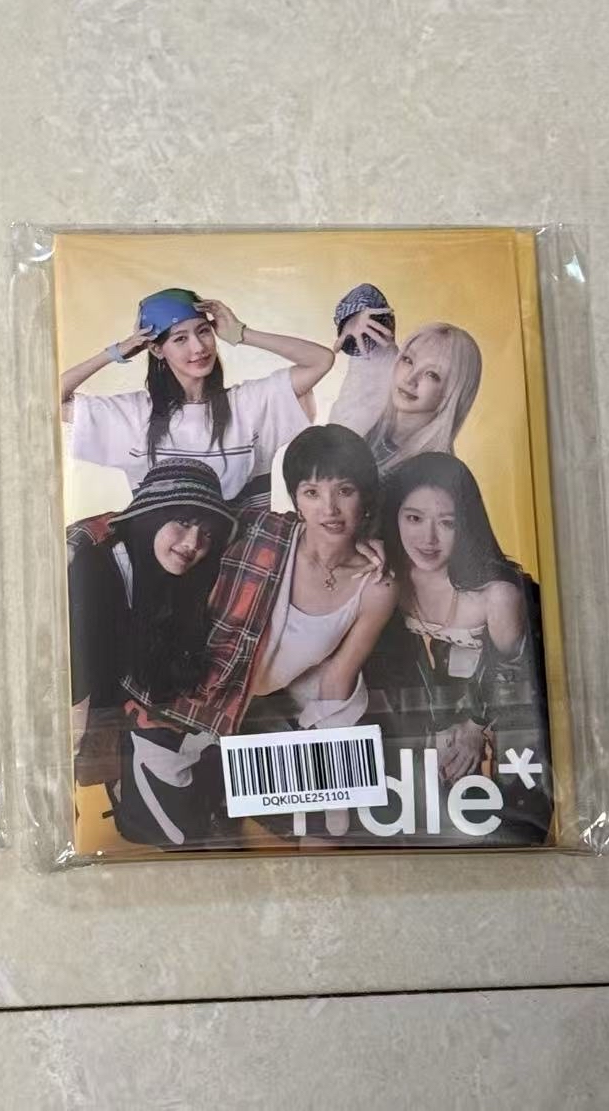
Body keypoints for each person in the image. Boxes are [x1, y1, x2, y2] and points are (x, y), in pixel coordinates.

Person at [141, 426, 397, 847]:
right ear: (296, 499)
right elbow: (168, 526)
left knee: (329, 831)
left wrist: (335, 783)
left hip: (269, 711)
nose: (329, 509)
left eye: (345, 491)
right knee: (179, 834)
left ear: (364, 496)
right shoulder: (260, 532)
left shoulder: (377, 585)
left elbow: (337, 678)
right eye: (312, 492)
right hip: (197, 694)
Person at [373, 452, 551, 839]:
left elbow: (515, 678)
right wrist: (434, 730)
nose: (428, 539)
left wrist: (473, 727)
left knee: (510, 819)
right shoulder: (386, 578)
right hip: (435, 712)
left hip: (505, 711)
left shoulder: (496, 594)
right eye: (414, 518)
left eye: (447, 523)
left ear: (466, 524)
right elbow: (396, 668)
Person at [65, 461, 238, 843]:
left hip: (142, 710)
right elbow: (78, 677)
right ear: (152, 516)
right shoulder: (93, 566)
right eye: (182, 522)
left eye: (206, 533)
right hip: (84, 711)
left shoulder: (189, 577)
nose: (193, 543)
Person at [60, 287, 334, 509]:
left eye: (203, 331)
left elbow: (321, 360)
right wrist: (116, 352)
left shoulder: (248, 404)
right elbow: (49, 401)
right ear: (156, 350)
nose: (199, 347)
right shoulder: (134, 414)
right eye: (180, 339)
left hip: (246, 557)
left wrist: (241, 334)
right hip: (160, 559)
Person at [328, 285, 482, 477]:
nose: (410, 379)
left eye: (432, 374)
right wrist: (353, 319)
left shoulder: (435, 475)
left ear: (453, 392)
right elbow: (366, 294)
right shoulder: (375, 393)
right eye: (408, 360)